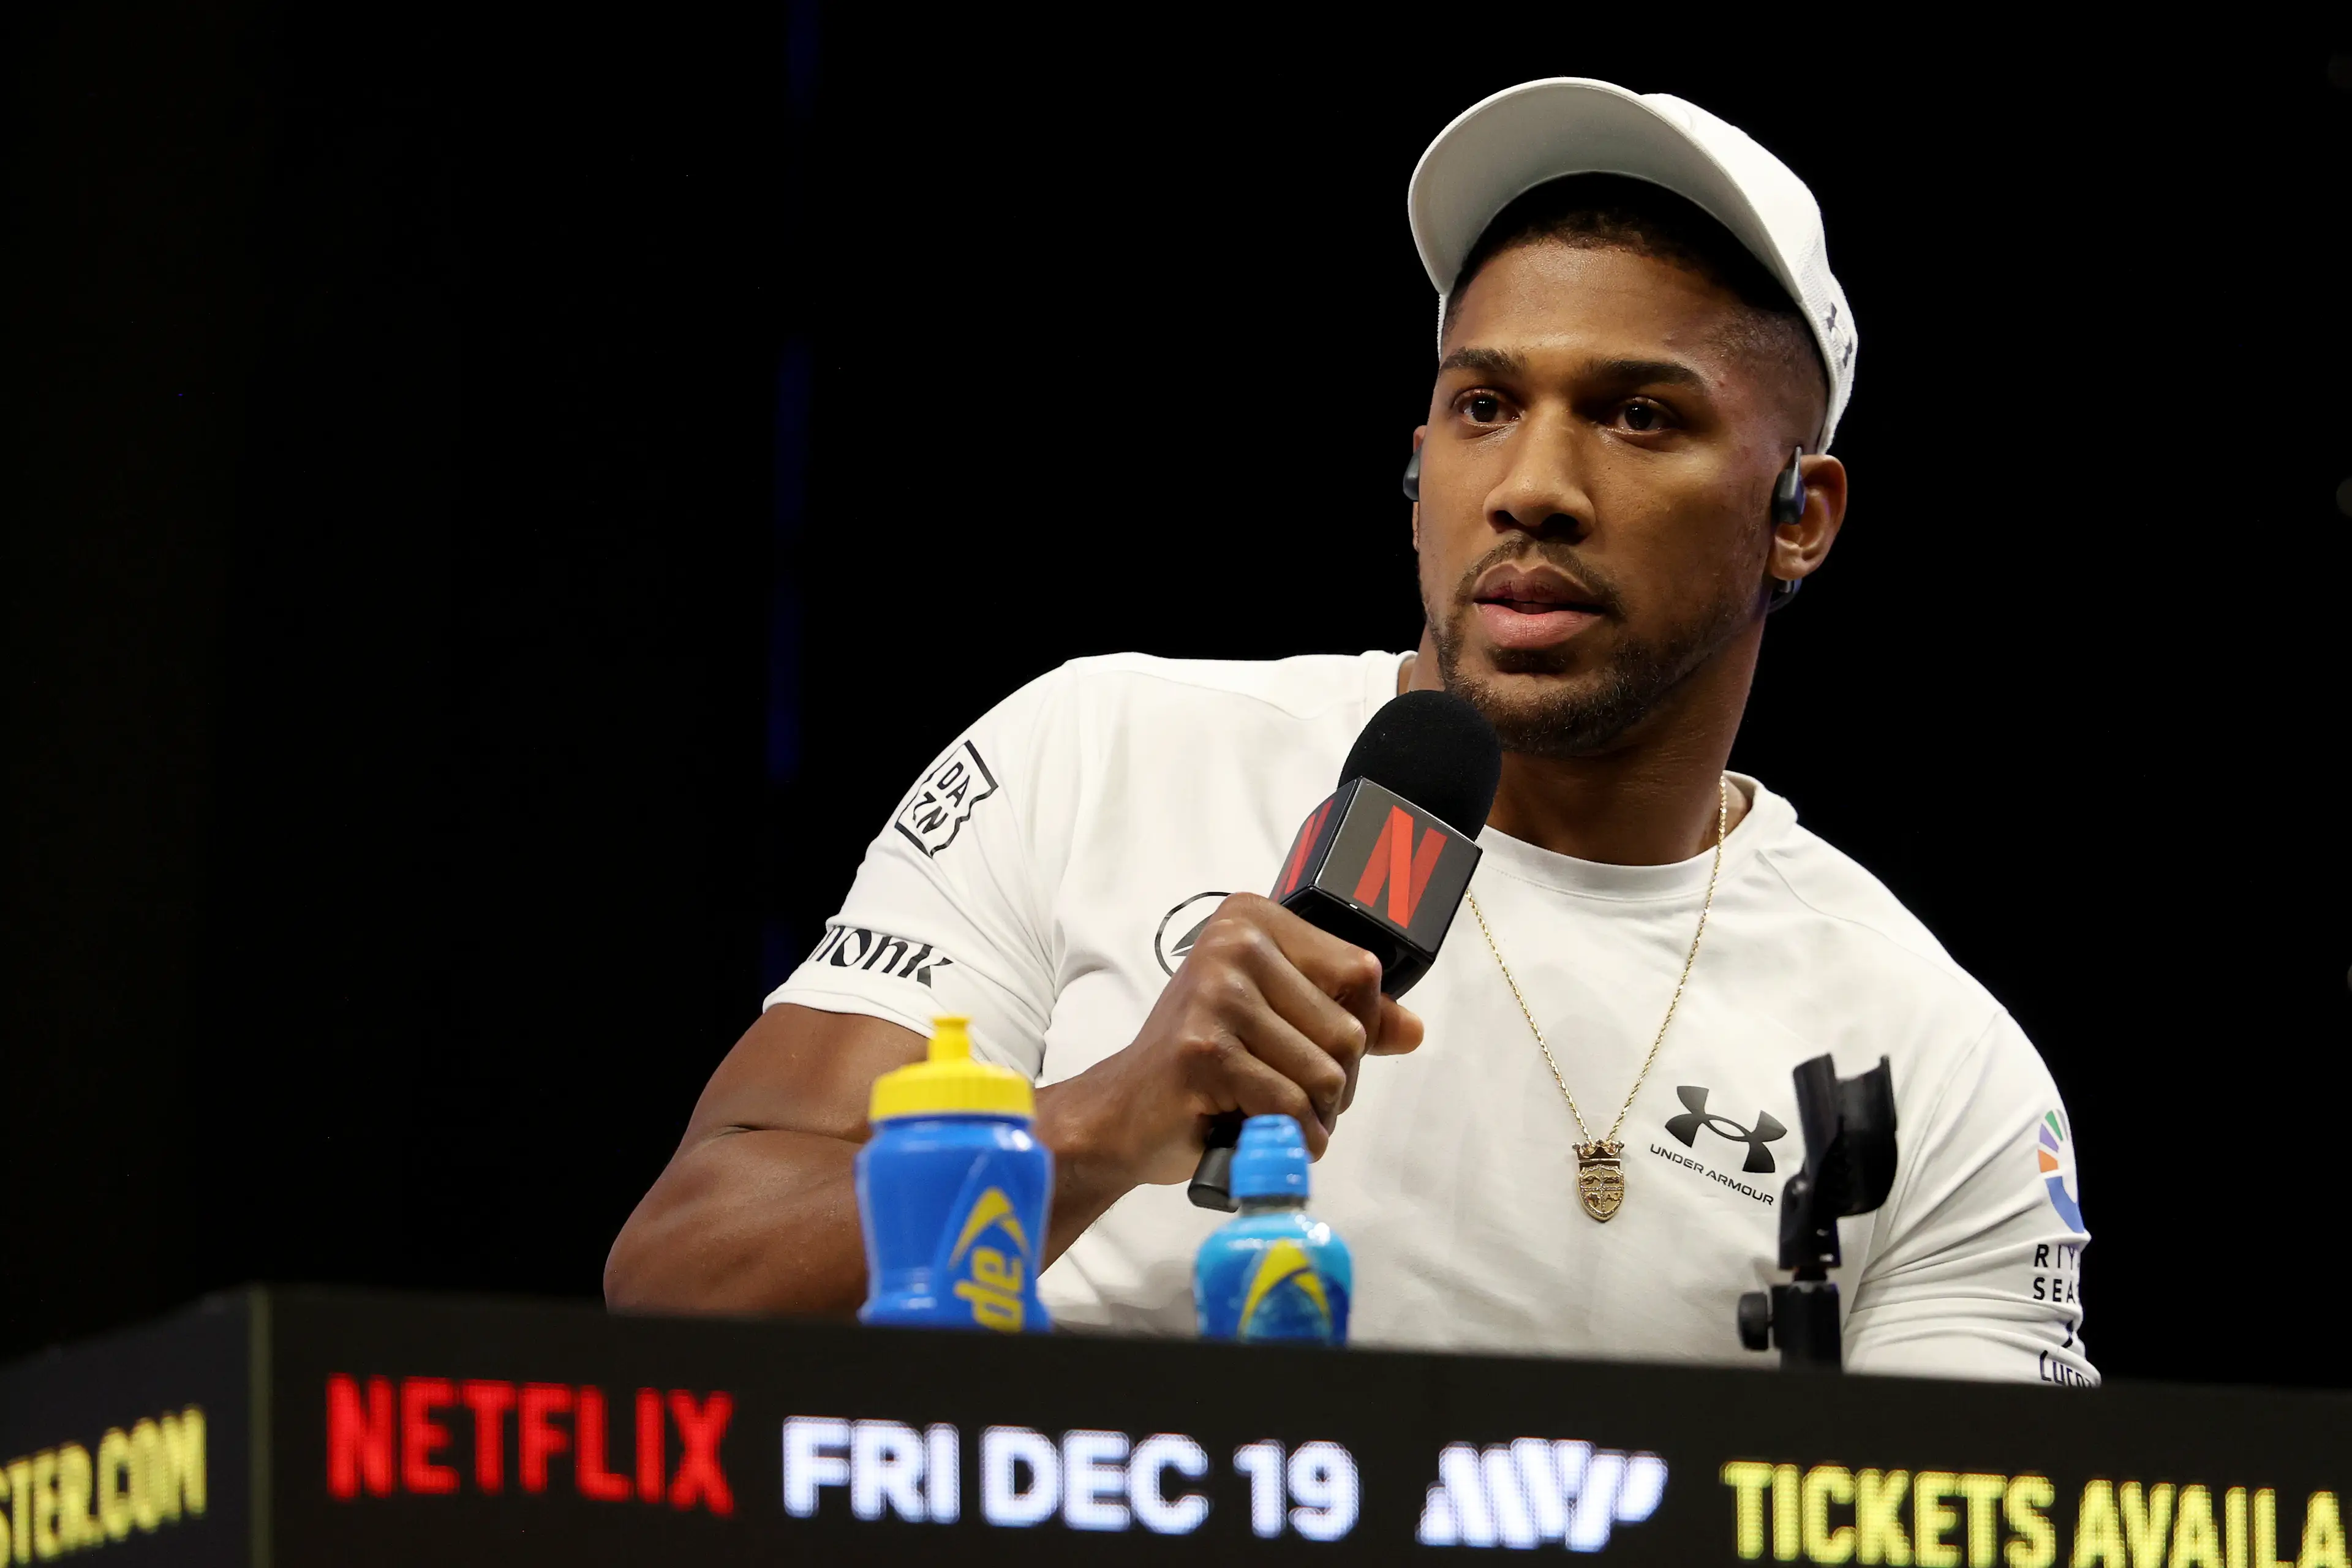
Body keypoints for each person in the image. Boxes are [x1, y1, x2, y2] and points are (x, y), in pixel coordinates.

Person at [605, 78, 2095, 1384]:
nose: (1534, 486)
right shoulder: (1096, 753)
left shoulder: (1929, 1053)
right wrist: (1113, 1113)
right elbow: (678, 1277)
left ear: (1801, 516)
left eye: (1641, 416)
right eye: (1485, 403)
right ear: (1419, 461)